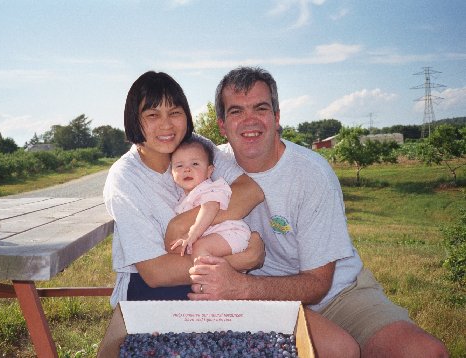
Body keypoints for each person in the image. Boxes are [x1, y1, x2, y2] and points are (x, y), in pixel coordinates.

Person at [185, 66, 449, 357]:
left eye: (260, 108)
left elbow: (318, 284)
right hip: (263, 302)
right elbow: (157, 151)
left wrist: (241, 287)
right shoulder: (210, 164)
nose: (250, 120)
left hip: (337, 294)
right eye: (236, 111)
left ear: (276, 117)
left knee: (424, 352)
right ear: (222, 125)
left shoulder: (311, 174)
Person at [102, 71, 264, 308]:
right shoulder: (125, 178)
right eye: (152, 115)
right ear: (134, 120)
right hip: (148, 294)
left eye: (175, 113)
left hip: (204, 277)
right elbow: (156, 273)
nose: (166, 125)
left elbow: (250, 192)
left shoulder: (193, 146)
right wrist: (240, 259)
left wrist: (181, 225)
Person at [169, 135, 251, 262]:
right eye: (179, 166)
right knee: (194, 251)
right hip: (216, 238)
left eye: (195, 164)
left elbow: (210, 207)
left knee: (200, 249)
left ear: (209, 171)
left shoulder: (209, 188)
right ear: (172, 173)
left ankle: (204, 281)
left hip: (231, 233)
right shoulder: (182, 198)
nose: (187, 169)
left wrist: (192, 234)